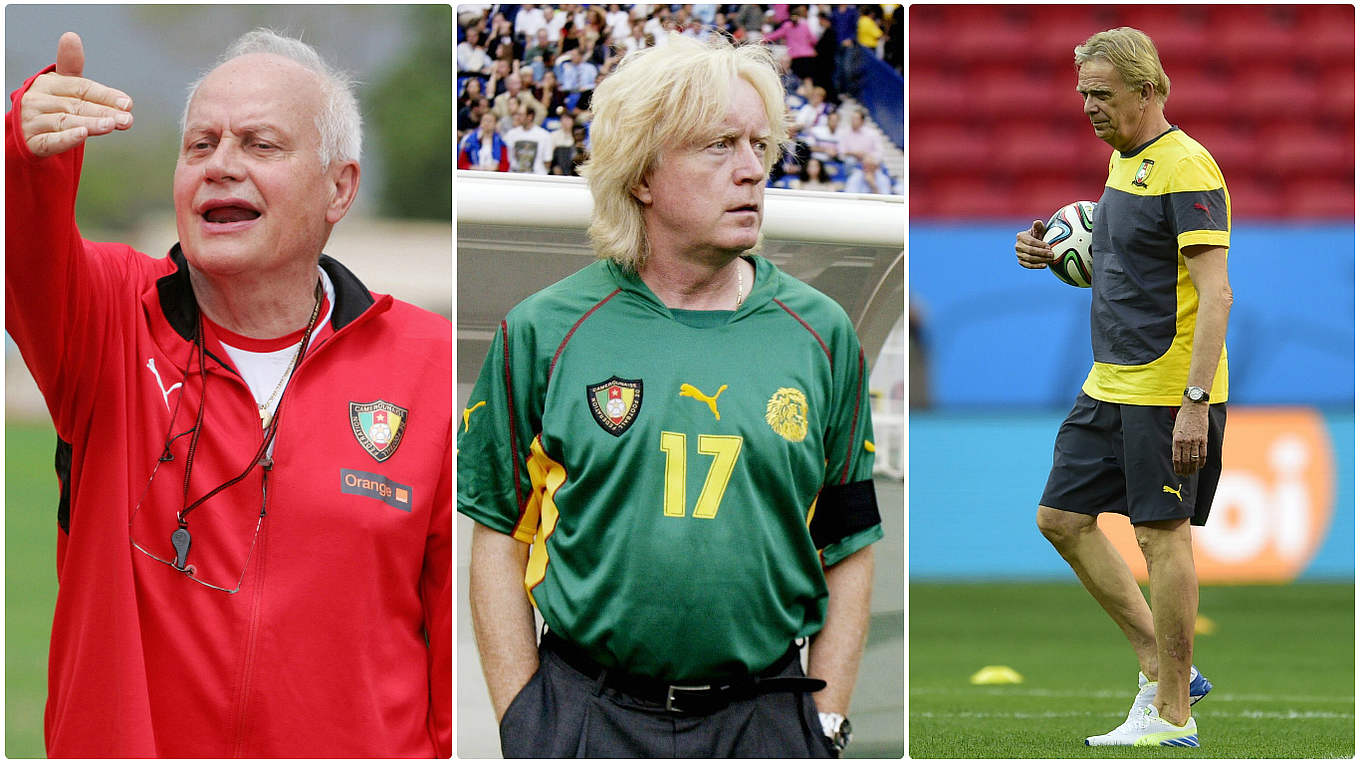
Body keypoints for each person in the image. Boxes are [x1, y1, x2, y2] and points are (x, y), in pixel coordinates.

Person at [8, 29, 451, 757]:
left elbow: (447, 653)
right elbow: (22, 248)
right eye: (200, 144)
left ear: (340, 186)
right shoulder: (110, 320)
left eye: (260, 145)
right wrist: (26, 155)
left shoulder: (426, 364)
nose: (221, 166)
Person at [459, 32, 880, 759]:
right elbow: (499, 531)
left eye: (759, 145)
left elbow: (848, 539)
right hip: (588, 716)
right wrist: (527, 722)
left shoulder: (822, 334)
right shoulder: (542, 332)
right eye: (720, 146)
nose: (752, 171)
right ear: (644, 174)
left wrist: (827, 721)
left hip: (768, 717)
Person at [1013, 26, 1231, 748]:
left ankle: (1173, 716)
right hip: (1109, 379)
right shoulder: (1122, 162)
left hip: (1167, 388)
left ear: (1148, 90)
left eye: (1101, 94)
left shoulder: (1189, 167)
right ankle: (1157, 663)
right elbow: (1130, 269)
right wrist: (1049, 254)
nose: (1087, 106)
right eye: (1082, 93)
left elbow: (1217, 294)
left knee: (1159, 537)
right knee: (1060, 520)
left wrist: (1194, 404)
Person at [504, 105, 553, 175]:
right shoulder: (511, 134)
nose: (517, 117)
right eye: (517, 114)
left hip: (536, 176)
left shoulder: (544, 135)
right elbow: (509, 158)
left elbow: (547, 161)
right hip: (515, 176)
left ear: (530, 116)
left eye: (521, 115)